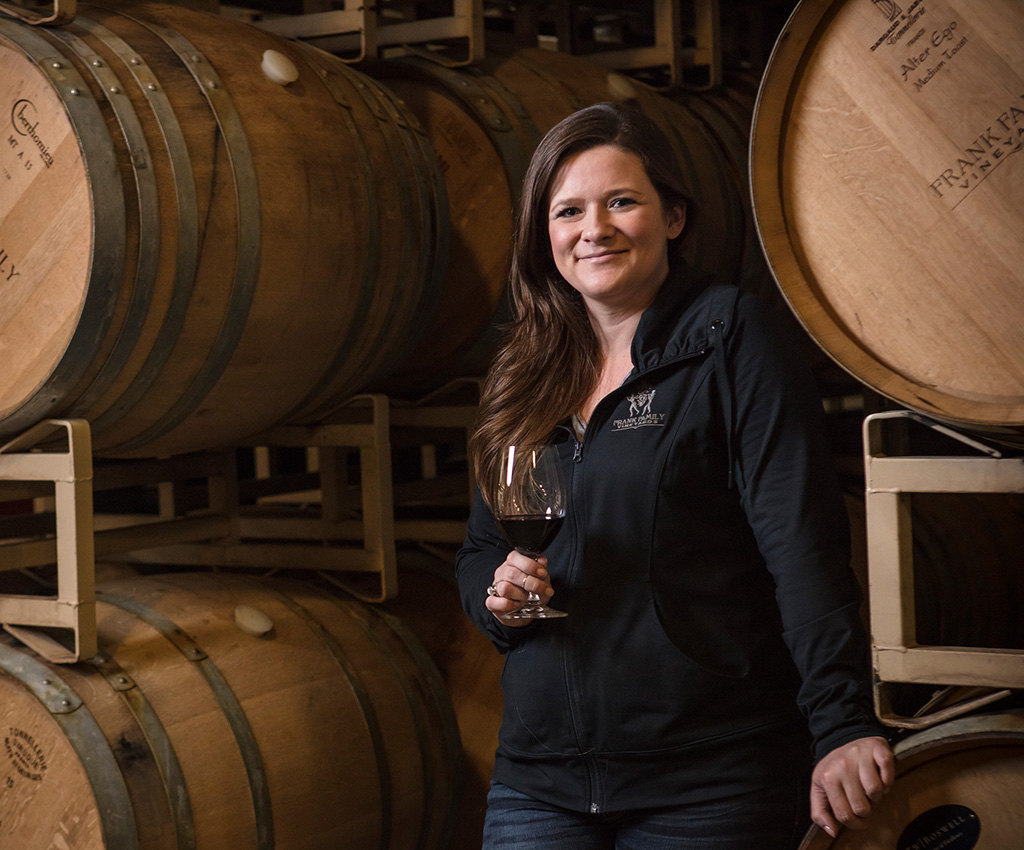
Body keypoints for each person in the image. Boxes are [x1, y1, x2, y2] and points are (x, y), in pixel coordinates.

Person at [456, 102, 893, 849]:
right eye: (568, 211)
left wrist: (841, 720)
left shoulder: (732, 338)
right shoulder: (524, 371)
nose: (593, 228)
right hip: (542, 778)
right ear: (545, 234)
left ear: (674, 218)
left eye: (621, 201)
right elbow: (479, 551)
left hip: (707, 775)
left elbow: (800, 542)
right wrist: (500, 600)